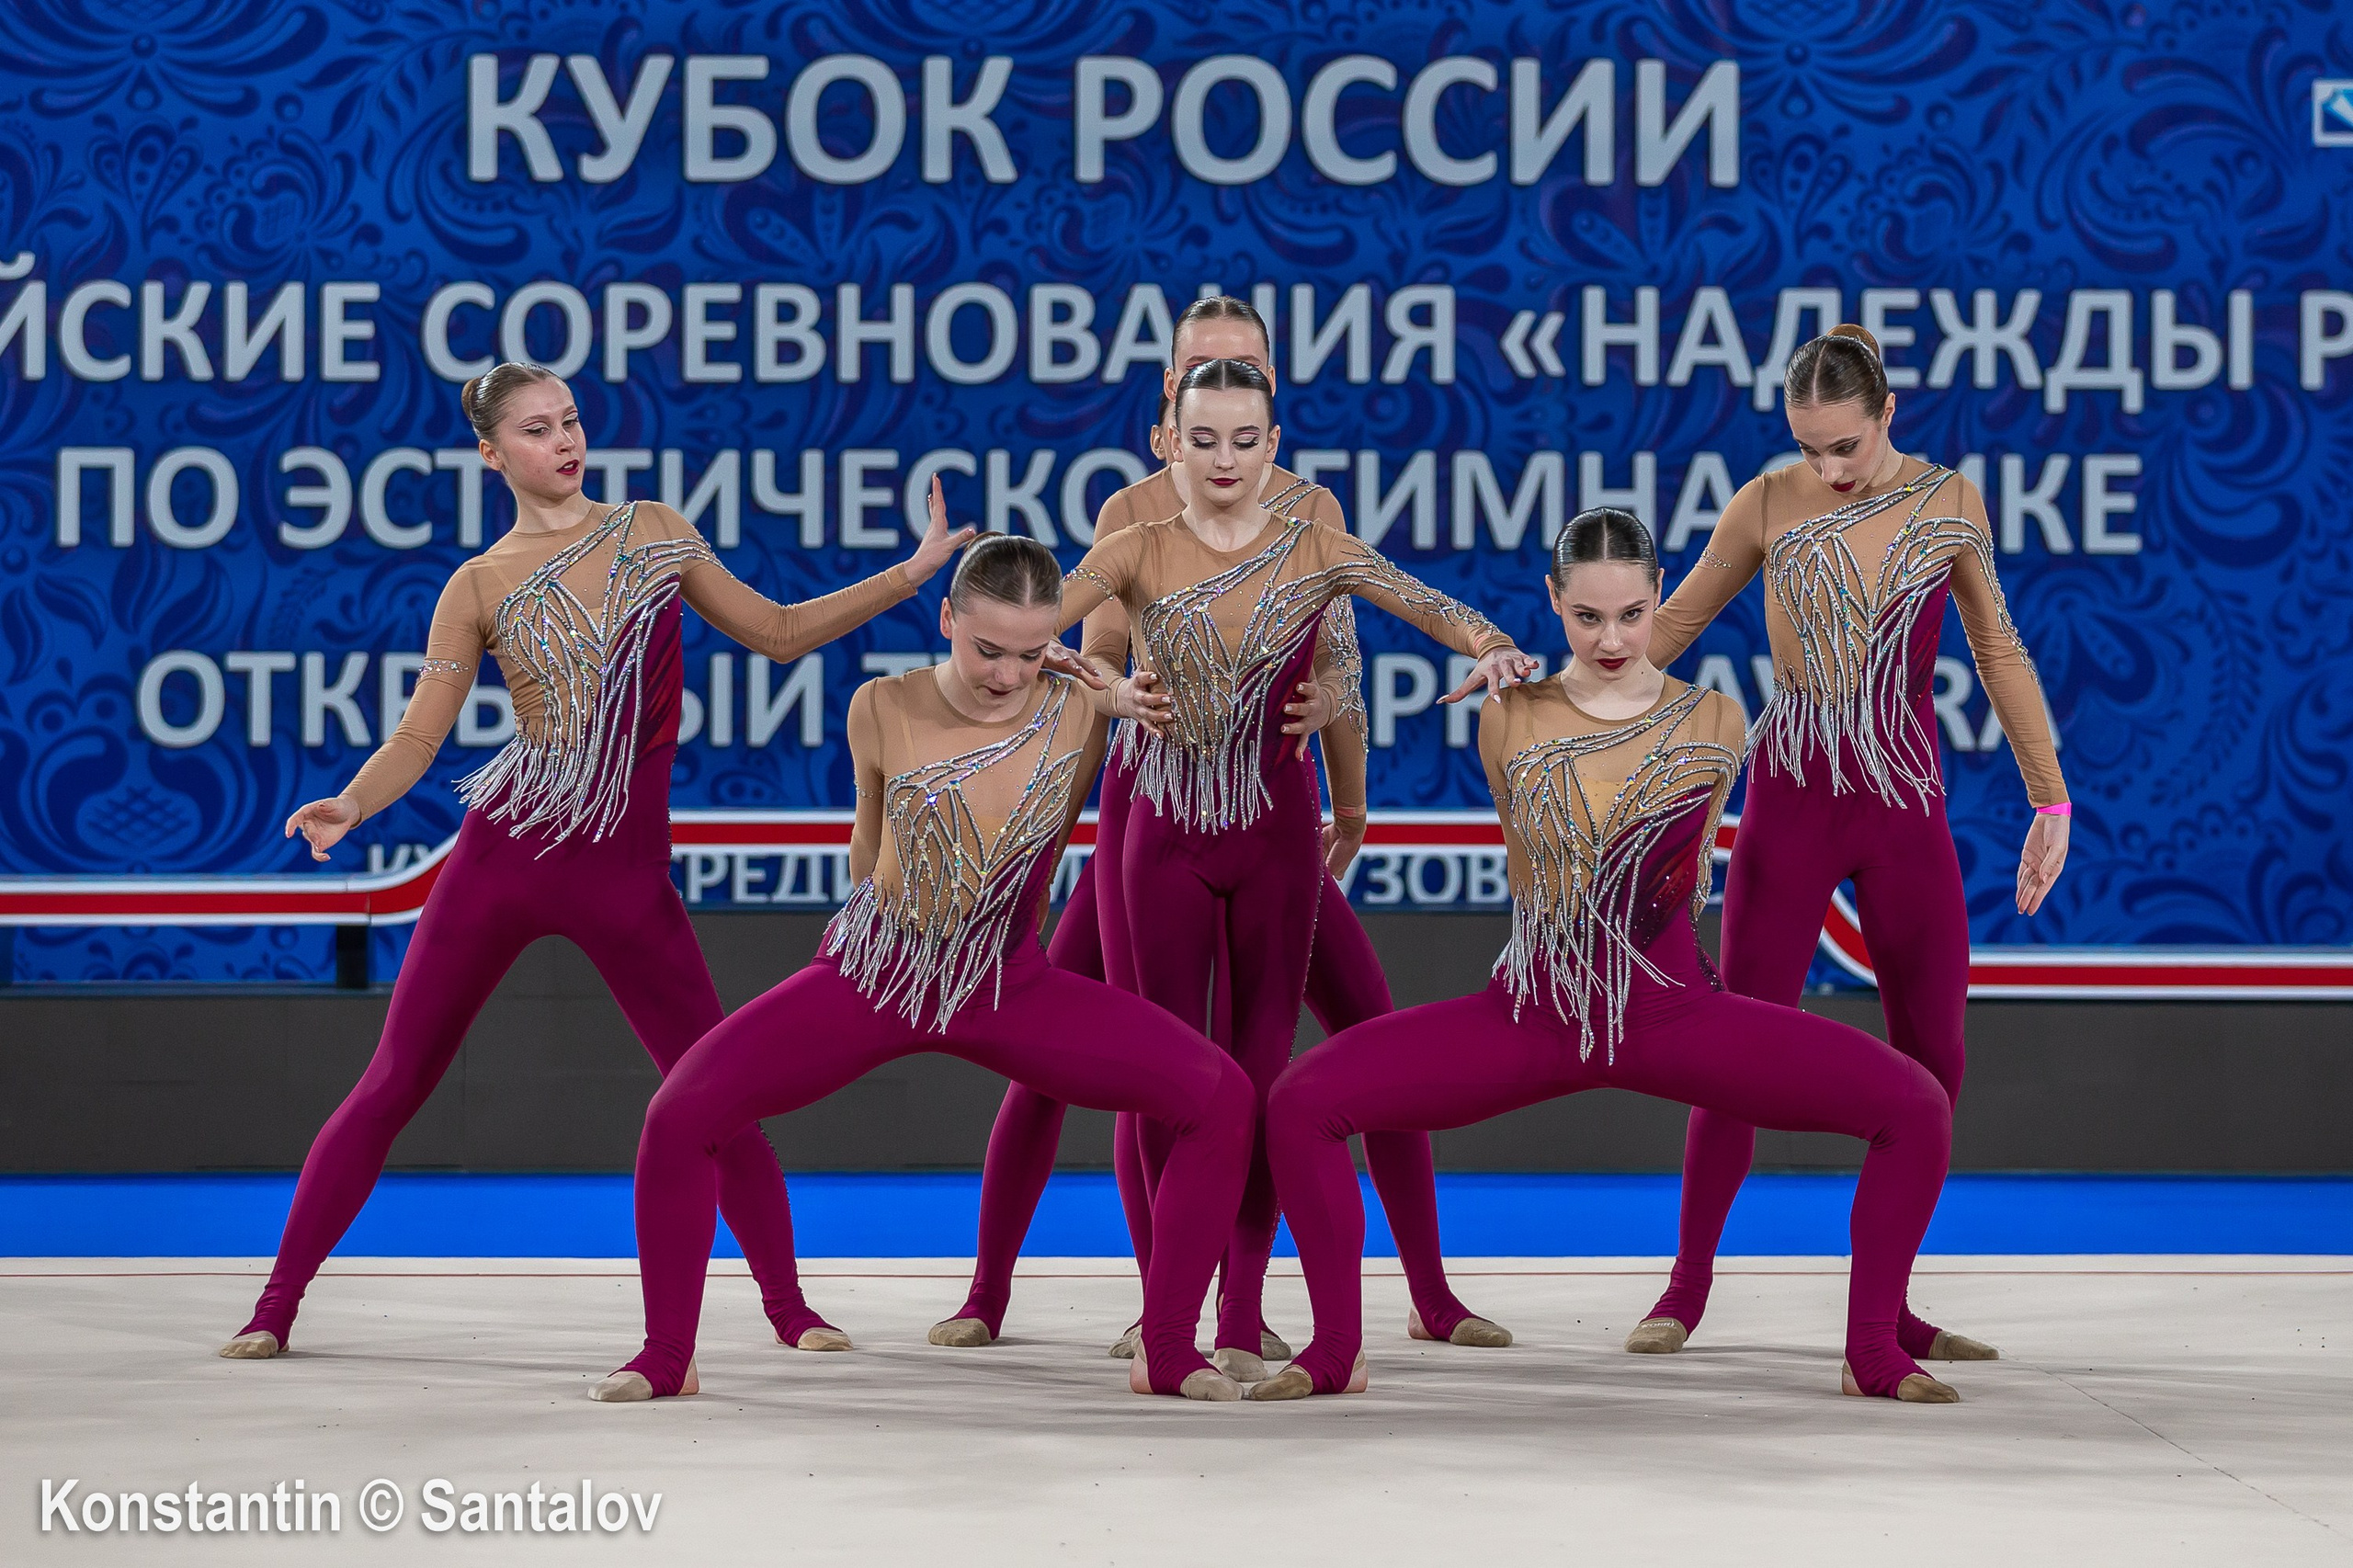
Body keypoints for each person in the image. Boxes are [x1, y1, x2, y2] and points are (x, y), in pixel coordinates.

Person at [219, 363, 972, 1361]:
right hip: (504, 856)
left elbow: (778, 632)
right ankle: (274, 1304)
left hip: (621, 875)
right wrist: (353, 801)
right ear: (492, 454)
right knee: (395, 1077)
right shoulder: (479, 584)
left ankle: (791, 1308)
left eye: (569, 419)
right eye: (536, 429)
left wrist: (909, 574)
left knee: (714, 1086)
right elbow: (418, 736)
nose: (564, 441)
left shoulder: (652, 532)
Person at [1252, 508, 1961, 1404]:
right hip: (1531, 1016)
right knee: (1301, 1098)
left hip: (1672, 1016)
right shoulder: (1508, 712)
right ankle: (1335, 1348)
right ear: (1553, 603)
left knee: (1916, 1104)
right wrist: (1506, 675)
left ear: (1658, 596)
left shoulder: (1717, 720)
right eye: (1587, 617)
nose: (1612, 636)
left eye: (1630, 613)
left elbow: (1682, 872)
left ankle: (1871, 1350)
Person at [933, 301, 1511, 1364]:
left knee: (1304, 1054)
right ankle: (1130, 1300)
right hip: (1150, 817)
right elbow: (1070, 633)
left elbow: (1362, 643)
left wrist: (1356, 783)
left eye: (1245, 399)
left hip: (1273, 818)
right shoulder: (1135, 520)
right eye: (1203, 406)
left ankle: (1356, 1298)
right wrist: (1087, 682)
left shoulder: (1311, 520)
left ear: (1271, 409)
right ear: (1169, 415)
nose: (1224, 441)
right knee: (1130, 1068)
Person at [592, 536, 1256, 1403]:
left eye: (1029, 652)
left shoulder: (1087, 709)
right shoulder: (881, 705)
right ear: (947, 620)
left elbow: (1169, 606)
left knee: (1224, 1096)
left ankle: (1168, 1348)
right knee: (678, 1113)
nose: (1008, 675)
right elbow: (866, 853)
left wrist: (1318, 707)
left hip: (1005, 987)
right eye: (987, 649)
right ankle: (665, 1355)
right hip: (880, 973)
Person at [1623, 324, 2068, 1362]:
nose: (1826, 470)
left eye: (1846, 448)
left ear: (1886, 415)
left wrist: (2048, 801)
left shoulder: (1946, 502)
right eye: (1809, 448)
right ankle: (1685, 1287)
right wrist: (1555, 687)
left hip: (1903, 803)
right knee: (1733, 1045)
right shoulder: (1767, 502)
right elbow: (1669, 627)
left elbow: (1996, 645)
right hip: (1793, 801)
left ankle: (1892, 1301)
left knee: (1935, 1058)